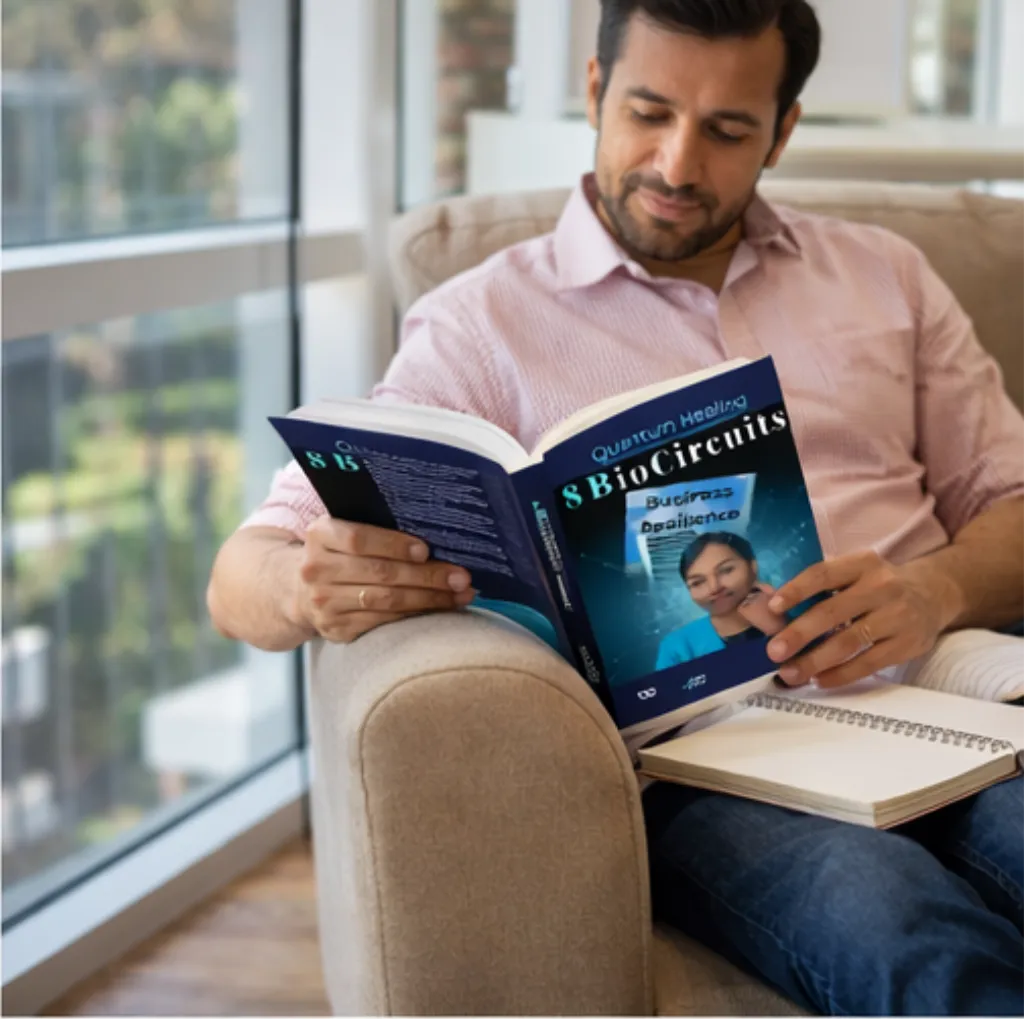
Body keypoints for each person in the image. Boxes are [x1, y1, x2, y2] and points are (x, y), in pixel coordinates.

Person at [207, 0, 1024, 1013]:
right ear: (595, 90)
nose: (677, 164)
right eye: (648, 112)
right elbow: (242, 577)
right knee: (904, 935)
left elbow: (1012, 498)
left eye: (727, 130)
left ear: (782, 131)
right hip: (715, 764)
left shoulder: (886, 276)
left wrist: (934, 589)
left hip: (948, 696)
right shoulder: (481, 325)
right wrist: (302, 583)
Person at [655, 531, 787, 668]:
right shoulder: (676, 647)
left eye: (726, 570)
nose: (714, 588)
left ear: (753, 567)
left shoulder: (794, 614)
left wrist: (780, 630)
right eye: (698, 582)